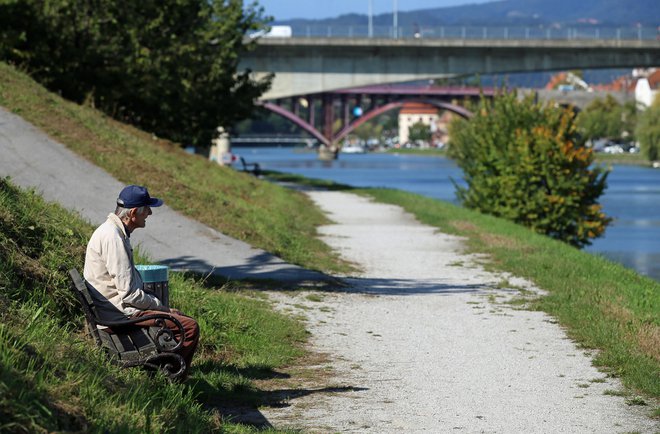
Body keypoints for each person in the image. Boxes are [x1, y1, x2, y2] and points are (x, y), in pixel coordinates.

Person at [84, 185, 199, 370]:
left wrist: (163, 310)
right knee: (189, 326)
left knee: (179, 318)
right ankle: (170, 377)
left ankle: (165, 369)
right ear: (134, 213)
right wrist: (162, 307)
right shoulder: (113, 238)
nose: (150, 213)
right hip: (119, 316)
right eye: (147, 209)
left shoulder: (113, 232)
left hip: (113, 311)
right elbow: (130, 295)